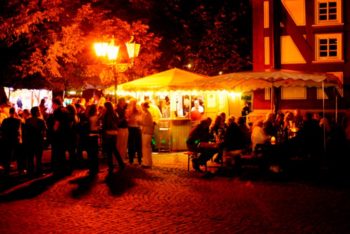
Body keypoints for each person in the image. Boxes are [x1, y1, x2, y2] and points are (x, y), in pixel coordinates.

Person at [101, 102, 125, 175]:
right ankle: (120, 164)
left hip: (109, 133)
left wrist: (103, 129)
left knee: (109, 151)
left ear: (106, 107)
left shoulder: (107, 115)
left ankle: (111, 166)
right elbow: (117, 122)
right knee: (113, 149)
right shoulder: (114, 114)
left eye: (104, 106)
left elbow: (106, 124)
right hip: (114, 133)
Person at [24, 106, 47, 176]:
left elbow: (25, 131)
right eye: (39, 110)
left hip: (29, 141)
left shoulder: (27, 120)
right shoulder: (41, 121)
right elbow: (44, 132)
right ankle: (39, 172)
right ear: (36, 112)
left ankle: (30, 172)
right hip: (38, 141)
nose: (39, 111)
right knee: (38, 158)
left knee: (30, 158)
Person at [1, 107, 22, 176]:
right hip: (15, 139)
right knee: (18, 155)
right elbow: (19, 130)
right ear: (14, 112)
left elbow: (2, 129)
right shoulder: (17, 120)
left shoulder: (5, 120)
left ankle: (6, 170)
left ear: (9, 112)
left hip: (7, 139)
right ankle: (20, 170)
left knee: (7, 155)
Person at [140, 102, 154, 168]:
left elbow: (146, 123)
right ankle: (147, 162)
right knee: (146, 147)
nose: (141, 108)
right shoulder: (146, 113)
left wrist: (139, 122)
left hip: (147, 132)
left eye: (142, 106)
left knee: (146, 147)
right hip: (146, 132)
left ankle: (147, 163)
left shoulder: (147, 114)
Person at [116, 97, 129, 162]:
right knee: (121, 144)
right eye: (124, 101)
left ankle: (121, 158)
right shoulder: (118, 110)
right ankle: (120, 159)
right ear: (121, 102)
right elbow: (118, 121)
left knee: (123, 144)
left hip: (124, 128)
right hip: (121, 128)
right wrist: (125, 117)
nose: (125, 103)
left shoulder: (122, 109)